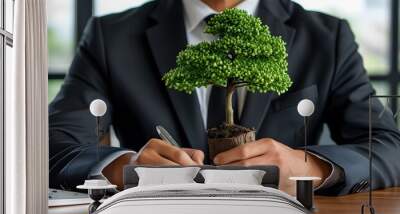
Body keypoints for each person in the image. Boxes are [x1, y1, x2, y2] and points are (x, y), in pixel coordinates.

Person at [49, 0, 400, 195]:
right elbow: (52, 144)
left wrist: (309, 167)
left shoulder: (326, 38)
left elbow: (389, 146)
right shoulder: (110, 37)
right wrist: (122, 166)